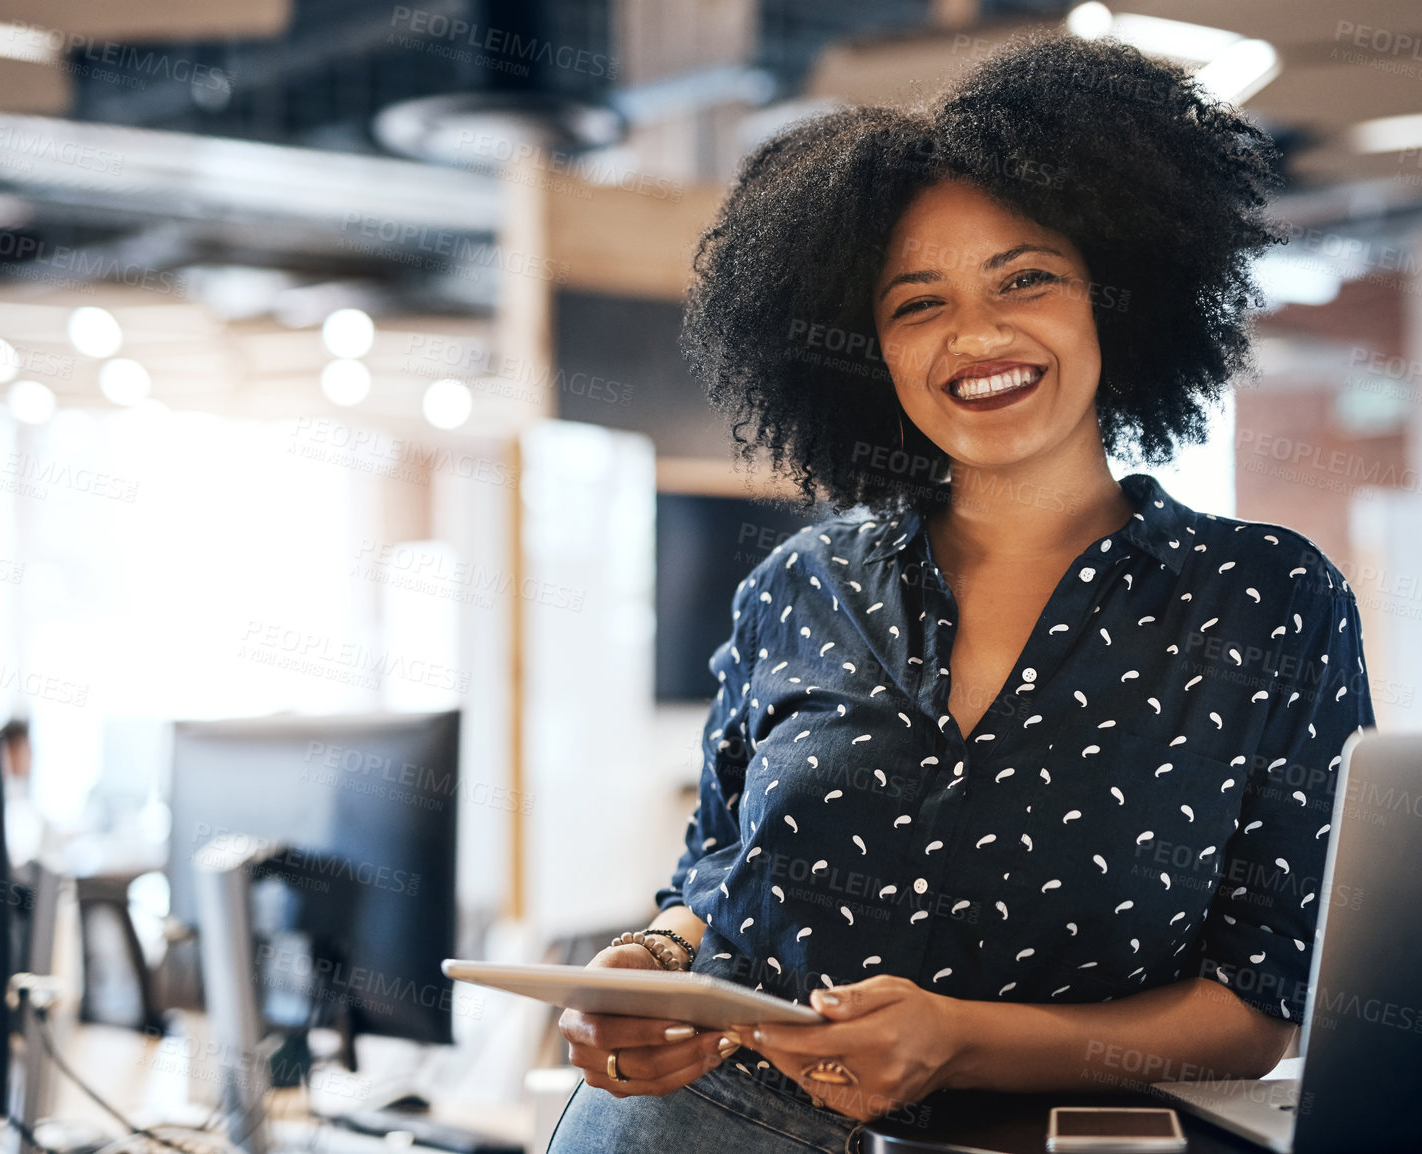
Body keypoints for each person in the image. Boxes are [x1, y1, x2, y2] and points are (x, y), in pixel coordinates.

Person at [549, 28, 1374, 1154]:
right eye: (916, 303)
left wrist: (964, 1037)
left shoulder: (1265, 598)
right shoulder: (798, 585)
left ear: (1114, 300)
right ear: (866, 352)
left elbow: (1252, 1010)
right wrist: (644, 972)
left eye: (1026, 277)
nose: (976, 335)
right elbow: (715, 881)